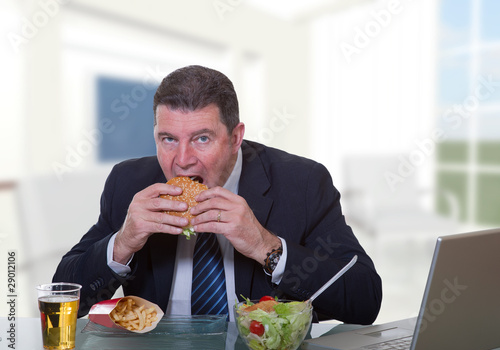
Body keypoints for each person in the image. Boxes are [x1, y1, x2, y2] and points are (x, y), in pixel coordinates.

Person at [53, 65, 382, 324]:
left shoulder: (302, 182)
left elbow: (365, 300)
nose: (182, 160)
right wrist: (122, 243)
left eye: (201, 139)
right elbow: (63, 298)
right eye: (168, 139)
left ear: (236, 137)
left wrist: (266, 248)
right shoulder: (129, 182)